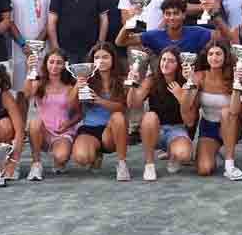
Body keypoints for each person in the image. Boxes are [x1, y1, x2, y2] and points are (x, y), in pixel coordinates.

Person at [127, 47, 196, 181]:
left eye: (171, 61)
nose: (165, 63)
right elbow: (133, 104)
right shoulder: (152, 80)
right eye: (163, 59)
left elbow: (190, 121)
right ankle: (149, 164)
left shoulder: (187, 83)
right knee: (150, 116)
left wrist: (182, 97)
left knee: (184, 155)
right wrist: (133, 85)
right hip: (154, 129)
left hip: (177, 129)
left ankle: (172, 154)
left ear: (179, 65)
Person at [70, 42, 131, 181]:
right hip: (89, 129)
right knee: (82, 158)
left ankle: (122, 164)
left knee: (118, 117)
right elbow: (72, 107)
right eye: (97, 58)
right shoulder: (86, 78)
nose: (101, 61)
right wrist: (77, 87)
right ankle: (96, 154)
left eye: (105, 57)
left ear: (113, 59)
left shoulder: (122, 80)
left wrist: (99, 101)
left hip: (111, 131)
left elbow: (123, 107)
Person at [190, 40, 242, 180]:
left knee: (226, 111)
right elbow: (189, 106)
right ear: (206, 56)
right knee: (204, 169)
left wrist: (237, 84)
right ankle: (219, 150)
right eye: (211, 54)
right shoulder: (199, 76)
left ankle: (229, 164)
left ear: (225, 56)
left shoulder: (235, 75)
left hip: (231, 124)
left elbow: (235, 110)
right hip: (208, 127)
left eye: (218, 54)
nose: (214, 58)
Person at [23, 49, 79, 181]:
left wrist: (68, 124)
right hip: (43, 132)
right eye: (51, 62)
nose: (54, 66)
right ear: (46, 63)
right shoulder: (39, 83)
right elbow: (26, 94)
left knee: (61, 158)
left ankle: (59, 157)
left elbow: (79, 114)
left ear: (65, 65)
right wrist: (29, 70)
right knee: (34, 122)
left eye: (59, 63)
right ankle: (36, 164)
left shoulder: (71, 86)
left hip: (63, 132)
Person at [7, 0, 55, 99]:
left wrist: (37, 45)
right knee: (23, 94)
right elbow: (10, 22)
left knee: (43, 93)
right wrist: (24, 45)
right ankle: (21, 124)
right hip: (21, 52)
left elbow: (51, 21)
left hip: (43, 51)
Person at [47, 0, 109, 64]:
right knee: (68, 80)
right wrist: (56, 48)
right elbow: (51, 22)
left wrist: (99, 45)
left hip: (90, 51)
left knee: (89, 80)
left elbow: (104, 20)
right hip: (65, 52)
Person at [117, 0, 230, 54]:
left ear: (184, 15)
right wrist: (131, 20)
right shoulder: (154, 35)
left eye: (176, 13)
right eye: (168, 14)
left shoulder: (197, 32)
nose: (171, 17)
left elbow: (225, 37)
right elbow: (120, 42)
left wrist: (215, 15)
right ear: (164, 16)